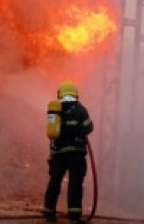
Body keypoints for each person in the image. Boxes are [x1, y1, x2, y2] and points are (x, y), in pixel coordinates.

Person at [42, 81, 94, 224]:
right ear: (75, 95)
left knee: (55, 181)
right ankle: (74, 215)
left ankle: (48, 211)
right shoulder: (80, 109)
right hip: (76, 154)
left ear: (61, 94)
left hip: (59, 154)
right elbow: (89, 127)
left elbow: (52, 132)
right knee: (75, 183)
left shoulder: (56, 109)